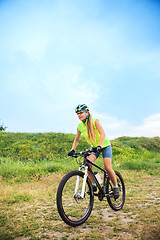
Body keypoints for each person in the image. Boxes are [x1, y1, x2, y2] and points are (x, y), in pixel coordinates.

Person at [68, 104, 120, 199]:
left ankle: (116, 187)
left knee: (108, 168)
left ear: (87, 113)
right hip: (94, 147)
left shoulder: (94, 121)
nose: (79, 115)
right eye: (77, 114)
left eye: (81, 113)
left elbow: (102, 134)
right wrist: (73, 150)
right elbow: (76, 139)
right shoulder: (80, 126)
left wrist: (99, 146)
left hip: (104, 146)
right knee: (88, 163)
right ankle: (94, 184)